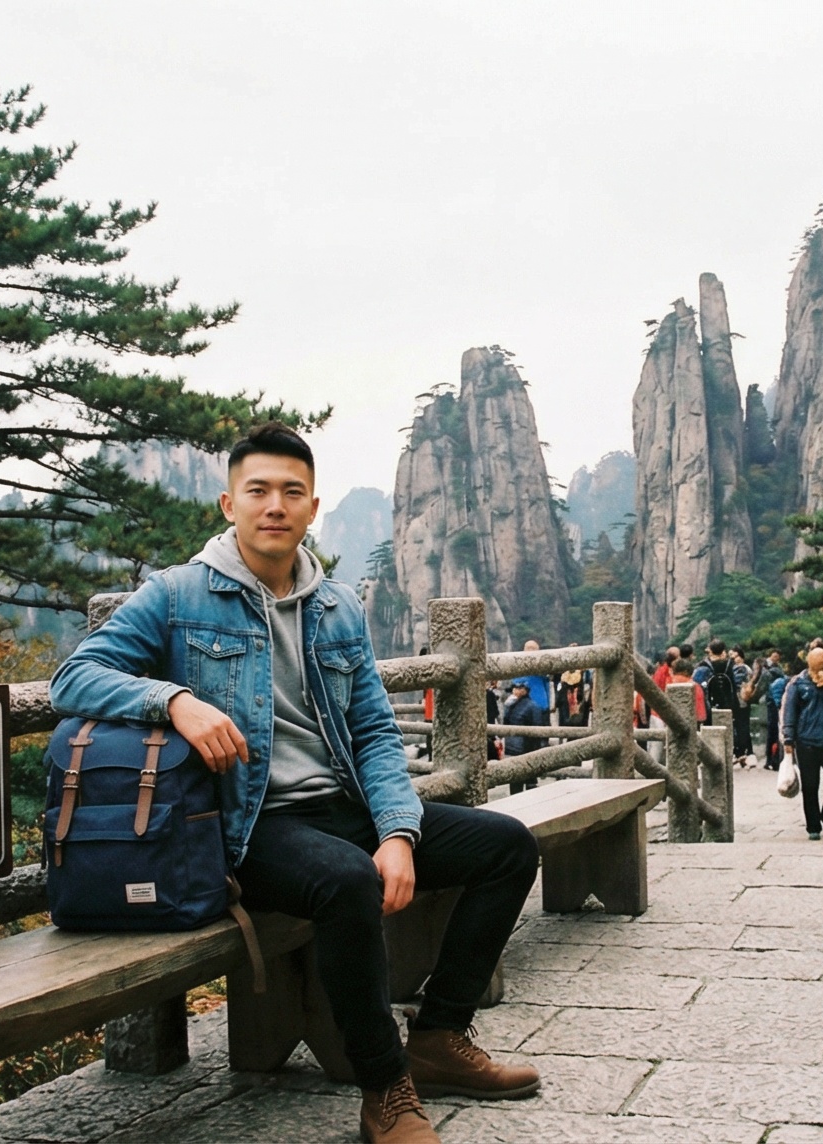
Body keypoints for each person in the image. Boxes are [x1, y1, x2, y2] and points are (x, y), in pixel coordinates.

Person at [51, 422, 540, 1144]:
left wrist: (399, 832)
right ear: (228, 504)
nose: (274, 505)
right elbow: (74, 676)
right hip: (250, 826)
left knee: (506, 846)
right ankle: (386, 1089)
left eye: (291, 492)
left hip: (341, 805)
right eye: (258, 491)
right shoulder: (178, 596)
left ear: (313, 508)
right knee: (348, 881)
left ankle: (438, 1038)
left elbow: (373, 732)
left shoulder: (338, 606)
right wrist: (176, 702)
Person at [781, 647, 823, 840]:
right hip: (806, 742)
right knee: (810, 786)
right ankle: (813, 826)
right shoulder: (798, 683)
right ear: (810, 663)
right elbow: (789, 712)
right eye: (819, 661)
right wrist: (788, 738)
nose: (822, 664)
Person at [693, 639, 749, 764]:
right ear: (723, 651)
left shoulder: (704, 665)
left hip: (710, 701)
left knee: (710, 727)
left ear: (710, 651)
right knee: (729, 726)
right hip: (727, 700)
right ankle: (733, 752)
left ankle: (711, 754)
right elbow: (733, 685)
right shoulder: (729, 664)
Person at [501, 681, 547, 794]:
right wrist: (507, 706)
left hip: (525, 747)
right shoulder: (512, 704)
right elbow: (505, 723)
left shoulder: (532, 706)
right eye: (514, 688)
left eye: (517, 688)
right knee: (517, 781)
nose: (514, 690)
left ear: (524, 690)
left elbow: (538, 729)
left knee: (524, 781)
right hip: (514, 747)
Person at [758, 649, 786, 770]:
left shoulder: (768, 670)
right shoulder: (775, 671)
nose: (775, 658)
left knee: (772, 732)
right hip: (775, 704)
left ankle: (770, 759)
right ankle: (775, 759)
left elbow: (761, 686)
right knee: (776, 732)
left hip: (770, 703)